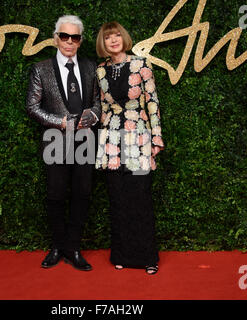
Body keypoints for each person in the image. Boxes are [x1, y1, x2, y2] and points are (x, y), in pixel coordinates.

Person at [26, 15, 101, 271]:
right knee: (56, 195)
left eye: (75, 37)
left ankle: (74, 248)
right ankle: (58, 246)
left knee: (82, 194)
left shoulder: (92, 68)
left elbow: (98, 102)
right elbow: (32, 107)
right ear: (56, 38)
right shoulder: (41, 69)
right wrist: (61, 122)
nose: (69, 41)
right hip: (55, 140)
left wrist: (92, 116)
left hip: (85, 140)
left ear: (80, 41)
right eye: (65, 36)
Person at [95, 21, 165, 275]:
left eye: (116, 36)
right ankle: (121, 255)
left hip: (139, 139)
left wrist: (156, 139)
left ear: (124, 38)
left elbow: (152, 103)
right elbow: (103, 108)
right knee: (118, 199)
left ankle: (148, 258)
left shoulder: (141, 64)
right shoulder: (101, 71)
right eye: (108, 38)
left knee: (140, 197)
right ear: (103, 44)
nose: (113, 40)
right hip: (112, 141)